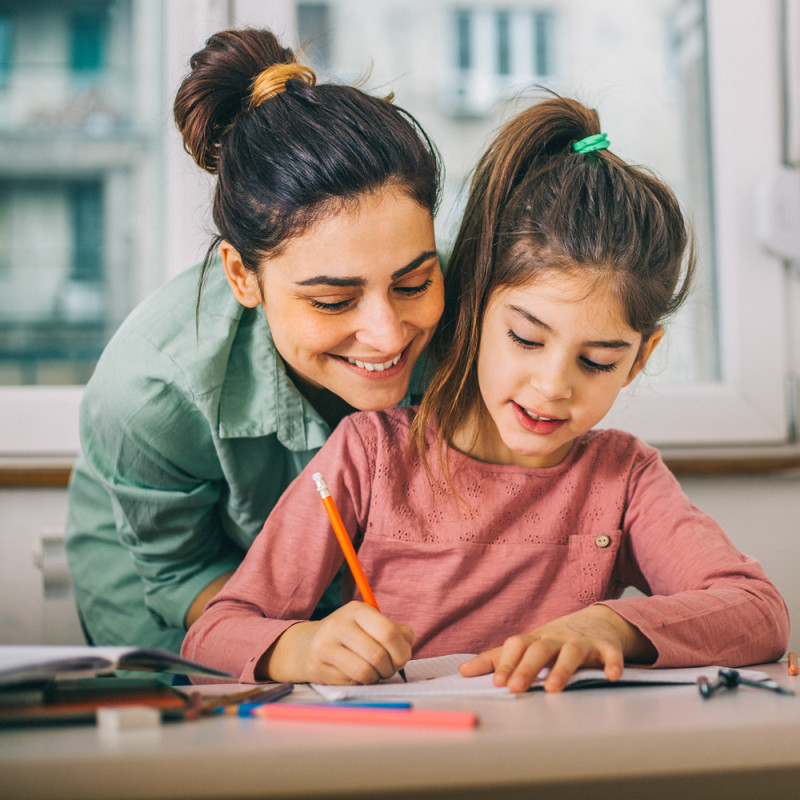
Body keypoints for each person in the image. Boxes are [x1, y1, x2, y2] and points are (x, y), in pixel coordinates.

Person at [181, 95, 790, 692]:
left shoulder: (623, 479)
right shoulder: (370, 456)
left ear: (640, 360)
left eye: (598, 361)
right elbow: (214, 633)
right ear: (473, 309)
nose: (553, 387)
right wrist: (302, 646)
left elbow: (759, 612)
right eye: (526, 339)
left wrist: (609, 625)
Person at [65, 27, 444, 656]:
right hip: (179, 588)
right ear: (244, 276)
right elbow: (179, 572)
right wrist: (293, 644)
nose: (386, 334)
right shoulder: (149, 391)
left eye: (413, 282)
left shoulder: (480, 316)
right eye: (332, 300)